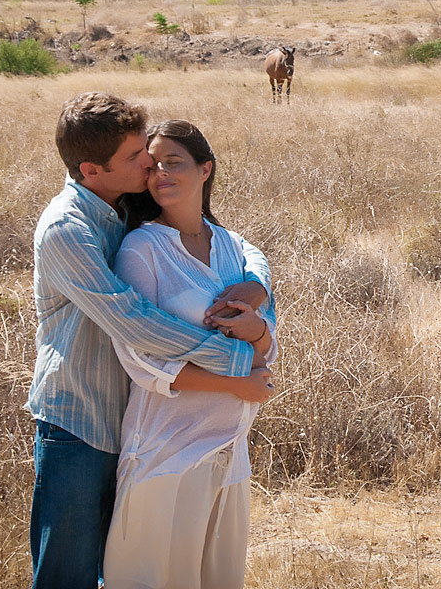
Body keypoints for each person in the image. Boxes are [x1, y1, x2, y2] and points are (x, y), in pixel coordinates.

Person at [28, 93, 269, 589]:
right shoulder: (66, 230)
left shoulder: (120, 207)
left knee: (123, 570)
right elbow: (132, 321)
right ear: (92, 169)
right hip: (79, 421)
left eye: (150, 154)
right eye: (137, 158)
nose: (149, 165)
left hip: (136, 422)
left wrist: (258, 281)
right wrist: (233, 358)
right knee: (68, 575)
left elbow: (228, 241)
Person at [103, 119, 277, 589]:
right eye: (153, 165)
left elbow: (268, 342)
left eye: (174, 162)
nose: (161, 172)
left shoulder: (236, 250)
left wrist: (257, 331)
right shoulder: (141, 250)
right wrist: (236, 384)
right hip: (167, 451)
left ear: (206, 170)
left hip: (229, 448)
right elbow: (140, 359)